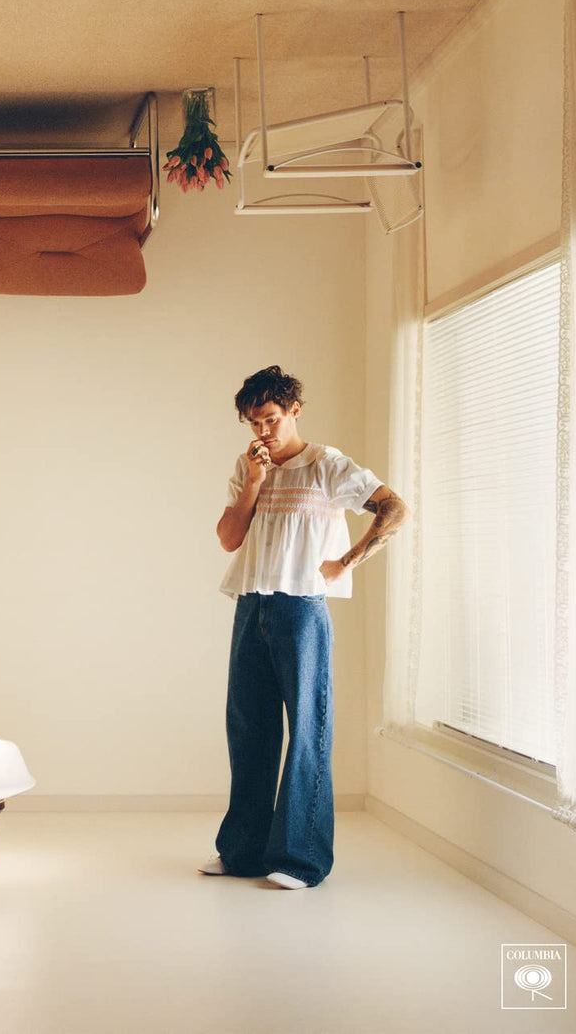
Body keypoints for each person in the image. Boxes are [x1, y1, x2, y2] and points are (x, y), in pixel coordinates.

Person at [199, 365, 409, 889]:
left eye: (271, 418)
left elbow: (394, 508)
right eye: (254, 422)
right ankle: (243, 852)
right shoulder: (249, 465)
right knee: (248, 728)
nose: (263, 430)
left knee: (308, 731)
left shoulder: (326, 465)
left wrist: (349, 560)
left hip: (301, 609)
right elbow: (228, 538)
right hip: (252, 604)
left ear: (294, 410)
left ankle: (300, 860)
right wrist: (254, 480)